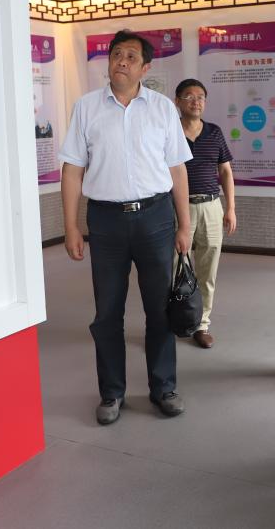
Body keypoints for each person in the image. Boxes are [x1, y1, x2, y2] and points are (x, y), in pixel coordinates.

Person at [58, 29, 193, 426]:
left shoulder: (162, 109)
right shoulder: (86, 107)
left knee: (160, 309)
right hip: (106, 222)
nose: (121, 61)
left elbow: (177, 169)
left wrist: (184, 225)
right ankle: (111, 392)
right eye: (117, 54)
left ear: (145, 68)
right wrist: (70, 226)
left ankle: (163, 387)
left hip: (155, 219)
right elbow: (72, 169)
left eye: (131, 56)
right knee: (107, 313)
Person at [174, 78, 237, 349]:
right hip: (179, 208)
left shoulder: (214, 132)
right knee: (176, 267)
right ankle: (176, 320)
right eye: (189, 96)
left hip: (211, 206)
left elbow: (225, 172)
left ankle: (201, 324)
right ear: (177, 101)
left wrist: (230, 208)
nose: (196, 101)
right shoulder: (169, 132)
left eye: (200, 96)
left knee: (207, 269)